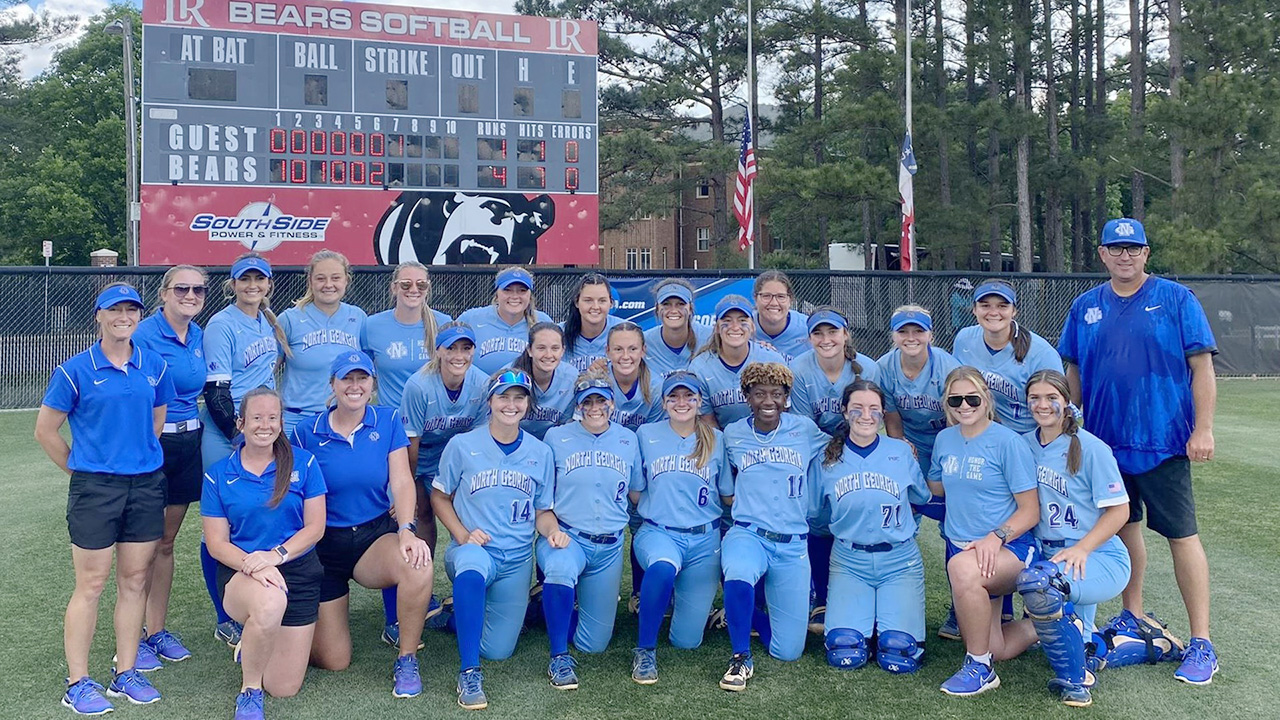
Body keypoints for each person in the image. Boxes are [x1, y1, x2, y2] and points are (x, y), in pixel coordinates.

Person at [1057, 217, 1220, 685]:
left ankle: (1203, 642)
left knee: (1181, 536)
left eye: (1134, 248)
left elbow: (1202, 369)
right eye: (1115, 248)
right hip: (1106, 447)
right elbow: (1075, 374)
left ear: (1146, 253)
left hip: (1164, 441)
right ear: (1103, 254)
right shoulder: (1086, 305)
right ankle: (1134, 614)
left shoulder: (1175, 299)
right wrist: (1071, 424)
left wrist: (1202, 429)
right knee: (1124, 530)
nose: (1124, 256)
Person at [37, 283, 175, 715]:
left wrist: (133, 459)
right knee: (92, 584)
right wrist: (84, 471)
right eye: (114, 310)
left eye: (131, 310)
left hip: (145, 485)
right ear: (98, 315)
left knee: (135, 581)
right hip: (95, 489)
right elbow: (46, 430)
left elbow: (157, 417)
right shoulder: (74, 370)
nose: (123, 317)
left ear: (139, 316)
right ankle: (77, 682)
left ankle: (126, 672)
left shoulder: (153, 366)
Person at [986, 370, 1132, 707]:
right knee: (1013, 643)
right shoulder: (1021, 444)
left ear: (1066, 402)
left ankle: (1076, 681)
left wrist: (1082, 548)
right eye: (1034, 398)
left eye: (1051, 397)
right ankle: (1114, 642)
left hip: (1097, 555)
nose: (1042, 405)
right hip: (1048, 555)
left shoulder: (1090, 447)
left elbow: (1119, 511)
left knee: (1041, 585)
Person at [292, 351, 432, 698]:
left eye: (362, 378)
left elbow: (401, 481)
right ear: (333, 384)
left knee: (418, 562)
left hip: (372, 538)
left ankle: (407, 658)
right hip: (323, 547)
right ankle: (285, 636)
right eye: (346, 379)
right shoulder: (306, 431)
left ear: (372, 384)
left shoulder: (387, 421)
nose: (355, 386)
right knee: (334, 659)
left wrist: (406, 531)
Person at [432, 369, 555, 710]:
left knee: (498, 650)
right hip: (474, 549)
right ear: (490, 401)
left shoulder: (540, 453)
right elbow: (439, 496)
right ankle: (469, 671)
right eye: (503, 396)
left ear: (528, 404)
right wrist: (462, 534)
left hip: (516, 559)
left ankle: (455, 616)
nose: (510, 404)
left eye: (519, 397)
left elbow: (543, 510)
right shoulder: (463, 445)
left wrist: (552, 530)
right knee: (472, 567)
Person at [201, 388, 326, 720]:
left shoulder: (304, 462)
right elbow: (216, 544)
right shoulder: (218, 473)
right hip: (241, 572)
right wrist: (254, 564)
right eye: (256, 417)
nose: (265, 425)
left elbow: (315, 528)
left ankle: (257, 640)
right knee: (270, 603)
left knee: (285, 685)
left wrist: (276, 555)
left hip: (297, 570)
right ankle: (250, 690)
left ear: (281, 423)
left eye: (273, 418)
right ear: (241, 423)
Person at [928, 367, 1040, 698]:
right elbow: (937, 487)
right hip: (966, 550)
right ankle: (1049, 623)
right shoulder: (944, 439)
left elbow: (1030, 510)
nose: (965, 405)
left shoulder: (1008, 443)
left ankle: (979, 667)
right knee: (998, 646)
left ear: (986, 399)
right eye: (956, 399)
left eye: (972, 398)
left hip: (1010, 549)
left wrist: (997, 536)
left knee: (961, 569)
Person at [808, 380, 931, 674]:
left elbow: (920, 499)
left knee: (898, 652)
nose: (866, 416)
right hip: (849, 561)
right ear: (844, 411)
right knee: (844, 647)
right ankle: (861, 619)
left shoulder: (900, 453)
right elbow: (814, 512)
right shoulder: (826, 458)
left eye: (874, 409)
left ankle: (887, 622)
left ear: (883, 413)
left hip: (899, 560)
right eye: (858, 408)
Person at [717, 362, 827, 691]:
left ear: (786, 398)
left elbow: (837, 445)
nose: (769, 400)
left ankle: (743, 613)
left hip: (793, 543)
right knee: (738, 569)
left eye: (777, 394)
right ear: (747, 397)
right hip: (749, 532)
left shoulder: (804, 429)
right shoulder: (733, 433)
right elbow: (726, 492)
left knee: (788, 651)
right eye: (760, 393)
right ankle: (740, 656)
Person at [201, 252, 288, 646]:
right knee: (220, 527)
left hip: (257, 427)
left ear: (268, 284)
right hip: (227, 432)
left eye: (259, 279)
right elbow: (217, 392)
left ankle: (259, 595)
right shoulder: (222, 324)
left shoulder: (265, 322)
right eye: (244, 279)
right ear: (232, 284)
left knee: (258, 516)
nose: (252, 285)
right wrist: (241, 438)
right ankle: (225, 616)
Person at [536, 374, 642, 690]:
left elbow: (637, 492)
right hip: (568, 536)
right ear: (578, 405)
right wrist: (552, 531)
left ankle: (543, 610)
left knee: (593, 643)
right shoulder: (556, 437)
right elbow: (542, 505)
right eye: (587, 401)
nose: (594, 407)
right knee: (559, 567)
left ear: (611, 402)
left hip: (609, 546)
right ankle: (558, 656)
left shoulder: (628, 439)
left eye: (600, 400)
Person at [629, 372, 729, 685]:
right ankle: (644, 648)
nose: (681, 402)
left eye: (689, 396)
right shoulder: (646, 434)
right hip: (659, 531)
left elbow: (726, 494)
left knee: (687, 641)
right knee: (662, 566)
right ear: (664, 401)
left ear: (700, 401)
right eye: (674, 396)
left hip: (704, 540)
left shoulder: (717, 438)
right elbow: (635, 490)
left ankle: (682, 612)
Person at [788, 306, 880, 634]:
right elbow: (803, 426)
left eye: (832, 332)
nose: (826, 339)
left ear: (845, 334)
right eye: (818, 333)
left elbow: (874, 417)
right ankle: (823, 598)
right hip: (817, 452)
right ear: (809, 337)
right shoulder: (799, 368)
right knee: (817, 518)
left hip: (861, 447)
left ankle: (861, 593)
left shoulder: (866, 367)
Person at [133, 265, 208, 667]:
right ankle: (133, 638)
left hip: (189, 443)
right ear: (164, 293)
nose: (190, 294)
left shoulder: (198, 334)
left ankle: (156, 630)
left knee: (165, 543)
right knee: (141, 547)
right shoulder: (143, 334)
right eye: (182, 288)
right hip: (154, 444)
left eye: (198, 289)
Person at [875, 306, 964, 638]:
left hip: (949, 441)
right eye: (903, 331)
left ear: (930, 334)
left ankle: (960, 607)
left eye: (918, 331)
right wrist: (899, 448)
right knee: (901, 521)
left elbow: (962, 412)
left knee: (956, 526)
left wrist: (950, 456)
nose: (910, 338)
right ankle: (893, 602)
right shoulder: (886, 366)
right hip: (912, 443)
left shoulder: (946, 366)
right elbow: (891, 414)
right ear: (894, 335)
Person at [398, 321, 489, 640]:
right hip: (421, 459)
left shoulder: (480, 383)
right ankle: (423, 592)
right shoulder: (419, 385)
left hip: (458, 461)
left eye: (466, 348)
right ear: (438, 350)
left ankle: (468, 585)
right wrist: (408, 485)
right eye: (451, 347)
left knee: (468, 520)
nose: (459, 355)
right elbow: (411, 442)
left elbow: (479, 439)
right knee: (422, 518)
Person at [951, 280, 1063, 433]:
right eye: (985, 305)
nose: (993, 312)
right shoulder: (964, 339)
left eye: (1002, 306)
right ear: (974, 310)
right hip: (980, 432)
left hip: (1027, 436)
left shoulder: (1041, 353)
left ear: (1014, 311)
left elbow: (1058, 409)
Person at [278, 250, 366, 435]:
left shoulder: (358, 318)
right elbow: (268, 370)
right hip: (297, 421)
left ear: (346, 281)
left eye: (335, 278)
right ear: (310, 281)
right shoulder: (289, 319)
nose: (328, 285)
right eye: (320, 278)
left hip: (344, 419)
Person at [360, 261, 452, 411]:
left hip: (432, 419)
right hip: (391, 419)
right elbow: (363, 372)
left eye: (421, 285)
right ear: (394, 288)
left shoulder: (444, 324)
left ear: (428, 288)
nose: (414, 290)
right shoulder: (371, 326)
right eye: (406, 284)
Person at [687, 295, 786, 429]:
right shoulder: (700, 367)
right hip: (724, 441)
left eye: (742, 320)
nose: (735, 327)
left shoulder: (772, 361)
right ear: (716, 327)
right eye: (727, 321)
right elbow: (707, 421)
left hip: (770, 438)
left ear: (752, 326)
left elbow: (784, 413)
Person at [457, 267, 553, 376]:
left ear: (530, 295)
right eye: (507, 290)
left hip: (526, 391)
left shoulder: (543, 323)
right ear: (497, 294)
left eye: (522, 290)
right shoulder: (471, 319)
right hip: (479, 390)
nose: (515, 296)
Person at [512, 322, 577, 440]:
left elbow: (568, 427)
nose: (548, 355)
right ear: (530, 350)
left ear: (563, 351)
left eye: (555, 348)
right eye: (541, 348)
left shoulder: (571, 378)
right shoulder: (511, 377)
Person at [643, 280, 713, 378]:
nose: (674, 310)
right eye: (666, 304)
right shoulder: (644, 342)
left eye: (680, 304)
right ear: (657, 309)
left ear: (690, 308)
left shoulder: (710, 337)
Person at [602, 321, 664, 432]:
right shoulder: (597, 381)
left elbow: (654, 436)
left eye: (633, 349)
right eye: (618, 349)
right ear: (607, 351)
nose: (625, 356)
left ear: (643, 351)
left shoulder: (656, 387)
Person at [561, 273, 622, 372]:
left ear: (611, 303)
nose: (595, 306)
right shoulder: (559, 334)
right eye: (588, 300)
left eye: (602, 301)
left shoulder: (624, 332)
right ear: (577, 302)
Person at [752, 270, 810, 361]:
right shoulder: (743, 328)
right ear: (755, 299)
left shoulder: (809, 327)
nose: (774, 303)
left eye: (781, 296)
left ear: (790, 300)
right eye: (766, 296)